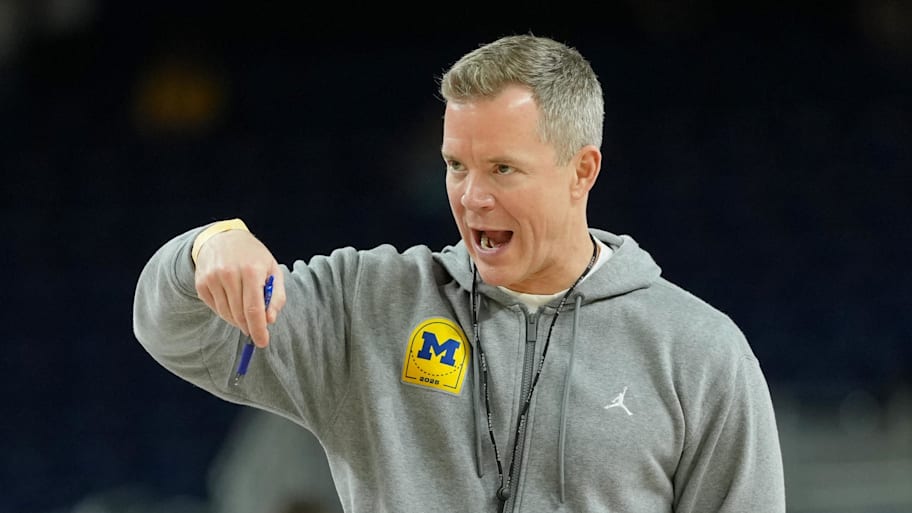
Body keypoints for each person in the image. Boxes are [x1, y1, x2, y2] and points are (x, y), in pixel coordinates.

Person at [133, 34, 786, 512]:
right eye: (455, 165)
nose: (470, 196)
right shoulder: (367, 306)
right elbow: (178, 334)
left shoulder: (698, 350)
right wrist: (206, 248)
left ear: (581, 171)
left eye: (502, 168)